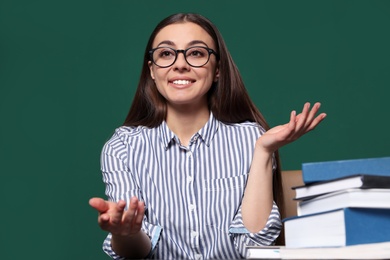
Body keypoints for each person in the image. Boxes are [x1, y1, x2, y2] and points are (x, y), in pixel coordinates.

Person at [89, 12, 326, 259]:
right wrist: (124, 232)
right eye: (166, 54)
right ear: (152, 70)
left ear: (217, 70)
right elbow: (135, 253)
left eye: (196, 53)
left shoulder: (250, 139)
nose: (180, 64)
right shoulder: (122, 148)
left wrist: (264, 151)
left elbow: (256, 244)